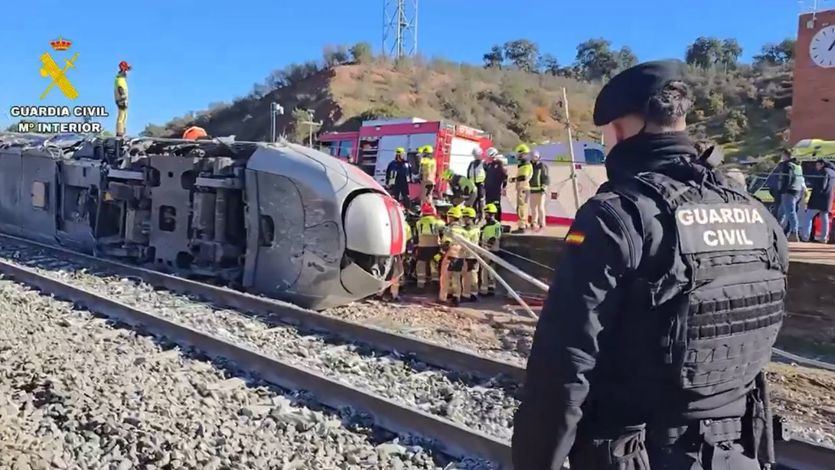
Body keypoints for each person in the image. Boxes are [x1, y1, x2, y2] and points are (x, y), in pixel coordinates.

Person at [512, 60, 789, 470]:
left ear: (620, 130)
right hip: (735, 452)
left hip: (637, 453)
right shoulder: (757, 215)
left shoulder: (614, 216)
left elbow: (565, 366)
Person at [438, 206, 467, 306]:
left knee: (445, 278)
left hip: (450, 256)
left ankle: (443, 298)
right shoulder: (464, 231)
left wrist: (441, 249)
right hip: (460, 257)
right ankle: (457, 297)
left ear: (451, 217)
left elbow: (446, 244)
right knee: (456, 278)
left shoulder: (449, 230)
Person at [414, 202, 445, 290]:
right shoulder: (438, 222)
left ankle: (420, 284)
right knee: (434, 263)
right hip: (434, 246)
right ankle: (435, 282)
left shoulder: (418, 222)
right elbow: (444, 227)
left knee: (421, 264)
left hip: (422, 246)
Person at [803, 159, 835, 243]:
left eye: (817, 165)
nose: (816, 167)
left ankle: (805, 236)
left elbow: (822, 186)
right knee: (824, 219)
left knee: (808, 217)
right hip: (827, 200)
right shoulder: (832, 173)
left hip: (817, 200)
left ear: (822, 164)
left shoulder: (823, 172)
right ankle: (824, 238)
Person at [777, 149, 804, 241]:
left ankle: (793, 232)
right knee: (782, 212)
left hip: (789, 191)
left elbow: (787, 178)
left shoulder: (787, 165)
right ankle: (778, 230)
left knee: (790, 212)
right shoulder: (798, 165)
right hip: (797, 191)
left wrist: (782, 190)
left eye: (782, 155)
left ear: (785, 155)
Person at [479, 203, 502, 296]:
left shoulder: (496, 225)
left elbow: (496, 237)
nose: (486, 215)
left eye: (487, 214)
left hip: (491, 250)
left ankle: (486, 288)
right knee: (488, 269)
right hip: (485, 249)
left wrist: (489, 245)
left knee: (486, 269)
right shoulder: (485, 225)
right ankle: (490, 286)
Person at [461, 206, 480, 302]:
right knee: (468, 275)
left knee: (470, 275)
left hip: (471, 255)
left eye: (465, 217)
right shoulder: (475, 229)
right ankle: (469, 294)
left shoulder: (472, 230)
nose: (464, 219)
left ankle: (470, 294)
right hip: (469, 255)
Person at [513, 144, 533, 233]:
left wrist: (515, 179)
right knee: (522, 206)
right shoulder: (522, 165)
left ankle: (522, 227)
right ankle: (523, 224)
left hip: (523, 188)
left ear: (523, 154)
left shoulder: (526, 165)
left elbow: (523, 177)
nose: (518, 156)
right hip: (522, 188)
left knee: (521, 207)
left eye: (519, 154)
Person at [484, 148, 508, 221]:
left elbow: (505, 176)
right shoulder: (488, 165)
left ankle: (498, 221)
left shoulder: (500, 164)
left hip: (496, 190)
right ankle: (488, 221)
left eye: (490, 156)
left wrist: (504, 187)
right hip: (488, 189)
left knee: (496, 205)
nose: (489, 158)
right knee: (488, 206)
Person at [529, 150, 550, 232]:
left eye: (536, 157)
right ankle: (534, 223)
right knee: (533, 208)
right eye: (533, 157)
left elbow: (546, 178)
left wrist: (543, 188)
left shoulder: (542, 166)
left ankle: (542, 223)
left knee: (540, 207)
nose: (534, 158)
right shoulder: (529, 166)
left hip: (540, 191)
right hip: (532, 190)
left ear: (539, 157)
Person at [467, 148, 487, 219]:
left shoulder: (483, 163)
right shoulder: (472, 163)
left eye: (476, 155)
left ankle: (481, 215)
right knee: (474, 200)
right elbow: (468, 174)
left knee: (481, 200)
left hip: (481, 184)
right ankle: (474, 215)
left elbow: (487, 174)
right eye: (474, 155)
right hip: (473, 185)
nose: (475, 156)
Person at [114, 61, 131, 137]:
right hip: (121, 99)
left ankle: (122, 131)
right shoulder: (120, 78)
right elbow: (120, 88)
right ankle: (120, 132)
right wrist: (123, 97)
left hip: (122, 99)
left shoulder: (120, 78)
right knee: (122, 115)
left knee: (124, 115)